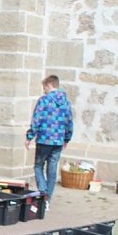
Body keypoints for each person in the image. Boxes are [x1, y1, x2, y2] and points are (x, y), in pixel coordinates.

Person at [25, 74, 73, 204]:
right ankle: (48, 198)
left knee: (38, 166)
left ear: (48, 85)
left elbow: (37, 120)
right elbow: (69, 121)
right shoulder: (66, 102)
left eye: (44, 87)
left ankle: (43, 192)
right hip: (58, 140)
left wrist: (29, 136)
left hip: (44, 139)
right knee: (52, 168)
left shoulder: (44, 100)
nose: (43, 90)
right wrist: (67, 138)